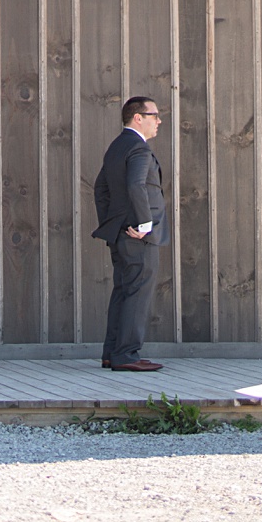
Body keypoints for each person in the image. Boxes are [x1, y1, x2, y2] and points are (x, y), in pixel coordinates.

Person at [91, 96, 169, 372]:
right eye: (155, 115)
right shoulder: (138, 147)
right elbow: (137, 186)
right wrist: (145, 224)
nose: (158, 120)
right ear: (138, 117)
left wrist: (113, 224)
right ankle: (127, 355)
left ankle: (112, 352)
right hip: (138, 236)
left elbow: (101, 189)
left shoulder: (117, 147)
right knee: (137, 291)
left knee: (124, 291)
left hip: (122, 233)